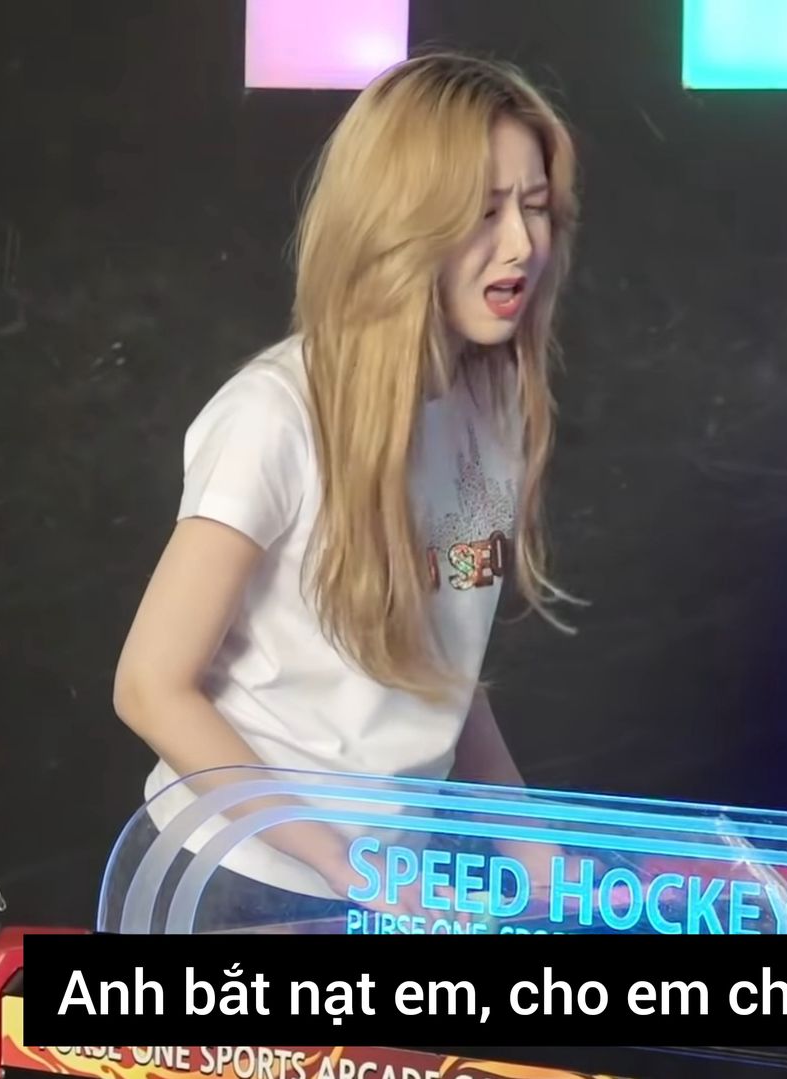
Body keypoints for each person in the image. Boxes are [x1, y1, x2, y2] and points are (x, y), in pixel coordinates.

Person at [110, 51, 580, 928]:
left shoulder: (490, 414)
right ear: (401, 224)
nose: (521, 243)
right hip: (232, 883)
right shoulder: (274, 415)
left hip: (378, 888)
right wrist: (344, 861)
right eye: (484, 211)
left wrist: (539, 851)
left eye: (535, 205)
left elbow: (439, 662)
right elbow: (150, 684)